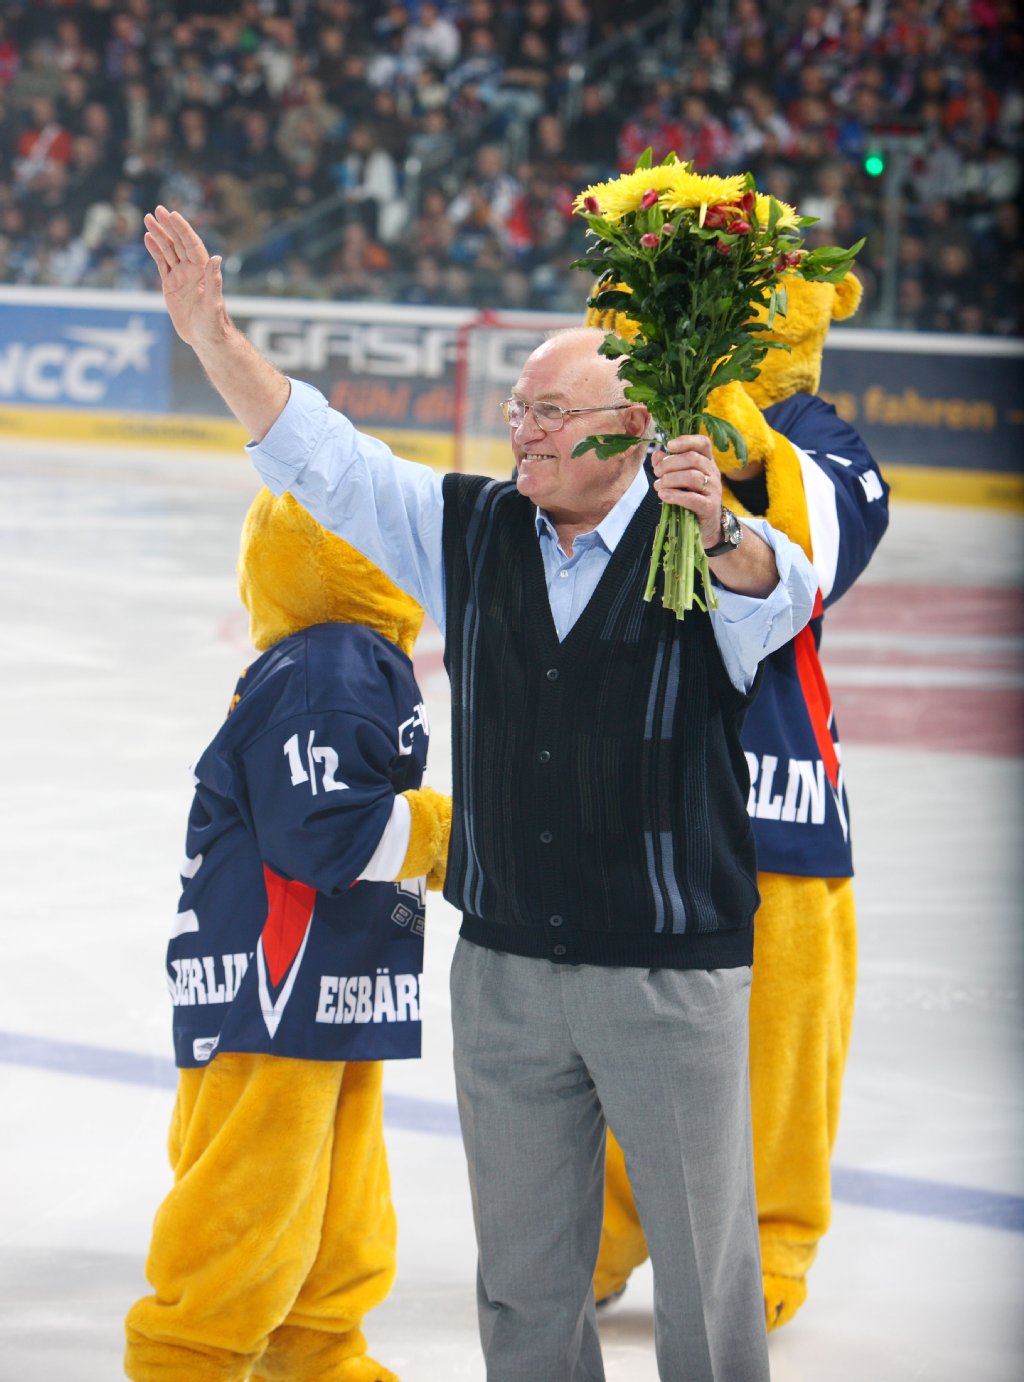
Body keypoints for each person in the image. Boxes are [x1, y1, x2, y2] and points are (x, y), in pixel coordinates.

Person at [143, 204, 819, 1382]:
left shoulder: (699, 552)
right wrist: (217, 343)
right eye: (518, 409)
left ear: (633, 429)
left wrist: (718, 524)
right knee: (522, 1286)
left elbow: (779, 591)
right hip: (505, 974)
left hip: (667, 976)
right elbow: (328, 459)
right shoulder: (474, 530)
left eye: (549, 414)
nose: (522, 430)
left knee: (706, 1292)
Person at [586, 273, 889, 1331]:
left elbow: (839, 538)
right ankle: (612, 1220)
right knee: (623, 1014)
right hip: (643, 769)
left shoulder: (811, 428)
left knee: (783, 1021)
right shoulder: (638, 403)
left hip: (780, 776)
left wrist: (748, 443)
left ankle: (766, 1229)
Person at [125, 484, 452, 1382]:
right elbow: (326, 831)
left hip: (326, 967)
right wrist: (446, 838)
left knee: (342, 1176)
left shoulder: (348, 657)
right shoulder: (332, 662)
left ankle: (315, 1345)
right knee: (252, 1180)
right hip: (273, 975)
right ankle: (188, 1354)